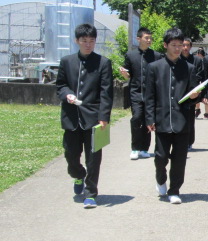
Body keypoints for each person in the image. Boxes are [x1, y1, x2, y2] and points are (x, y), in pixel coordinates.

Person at [56, 23, 113, 209]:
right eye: (84, 41)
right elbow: (60, 85)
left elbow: (106, 92)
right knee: (71, 155)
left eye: (91, 41)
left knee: (93, 158)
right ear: (77, 41)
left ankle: (90, 193)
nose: (88, 44)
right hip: (71, 117)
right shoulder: (66, 61)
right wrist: (67, 95)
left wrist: (104, 116)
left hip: (94, 118)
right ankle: (78, 174)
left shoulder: (103, 63)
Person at [144, 28, 200, 205]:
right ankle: (160, 179)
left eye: (180, 45)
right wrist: (149, 118)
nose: (178, 49)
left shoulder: (189, 68)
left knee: (179, 159)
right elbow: (149, 96)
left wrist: (195, 96)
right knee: (160, 157)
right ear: (165, 45)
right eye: (174, 45)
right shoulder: (154, 67)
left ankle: (174, 190)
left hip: (182, 120)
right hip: (161, 119)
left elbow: (193, 95)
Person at [121, 27, 163, 160]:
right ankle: (135, 148)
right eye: (146, 38)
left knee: (148, 119)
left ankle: (145, 149)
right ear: (138, 39)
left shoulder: (156, 56)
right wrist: (124, 74)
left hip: (151, 94)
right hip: (136, 92)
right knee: (137, 117)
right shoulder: (130, 55)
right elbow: (128, 75)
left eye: (150, 38)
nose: (149, 40)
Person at [181, 38, 203, 150]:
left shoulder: (197, 60)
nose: (185, 48)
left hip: (192, 92)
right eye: (183, 45)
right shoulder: (177, 58)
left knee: (190, 118)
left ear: (190, 46)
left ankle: (189, 142)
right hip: (179, 92)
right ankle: (179, 141)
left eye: (187, 45)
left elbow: (200, 75)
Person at [194, 48, 208, 120]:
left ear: (199, 54)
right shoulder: (198, 61)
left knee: (205, 98)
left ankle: (205, 113)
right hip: (201, 82)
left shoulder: (204, 61)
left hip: (203, 82)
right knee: (196, 97)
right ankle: (199, 110)